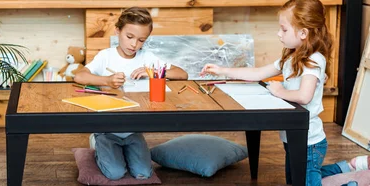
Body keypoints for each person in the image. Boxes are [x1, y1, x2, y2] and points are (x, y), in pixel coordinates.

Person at [199, 0, 368, 185]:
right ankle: (346, 167)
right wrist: (223, 70)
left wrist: (279, 91)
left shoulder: (313, 61)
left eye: (284, 29)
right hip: (293, 137)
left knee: (304, 180)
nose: (279, 34)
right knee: (296, 178)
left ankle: (352, 183)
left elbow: (304, 96)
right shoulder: (291, 57)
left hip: (310, 141)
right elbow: (257, 73)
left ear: (304, 33)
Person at [73, 7, 188, 180]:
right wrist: (107, 80)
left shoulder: (147, 58)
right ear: (117, 31)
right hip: (107, 129)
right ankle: (97, 142)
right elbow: (79, 76)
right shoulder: (106, 56)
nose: (134, 44)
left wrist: (152, 71)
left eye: (141, 40)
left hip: (134, 130)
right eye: (129, 37)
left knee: (143, 173)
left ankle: (125, 150)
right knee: (115, 173)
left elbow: (182, 74)